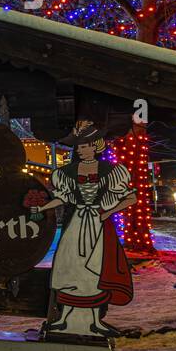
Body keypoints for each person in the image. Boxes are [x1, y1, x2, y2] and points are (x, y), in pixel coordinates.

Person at [30, 120, 136, 337]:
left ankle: (94, 322)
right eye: (78, 146)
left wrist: (107, 212)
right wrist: (42, 206)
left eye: (85, 145)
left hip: (97, 225)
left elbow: (130, 197)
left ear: (96, 146)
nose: (81, 150)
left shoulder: (112, 171)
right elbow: (63, 197)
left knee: (94, 270)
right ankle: (66, 319)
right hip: (77, 224)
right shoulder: (68, 172)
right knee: (70, 268)